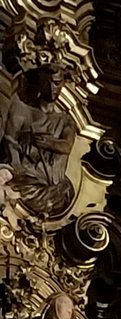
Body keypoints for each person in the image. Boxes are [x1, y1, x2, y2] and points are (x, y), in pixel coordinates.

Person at [1, 67, 76, 217]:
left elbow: (66, 146)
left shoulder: (65, 120)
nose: (51, 88)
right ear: (39, 83)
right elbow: (10, 143)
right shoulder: (22, 111)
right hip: (25, 179)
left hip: (54, 186)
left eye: (56, 83)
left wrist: (48, 143)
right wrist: (17, 167)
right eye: (46, 83)